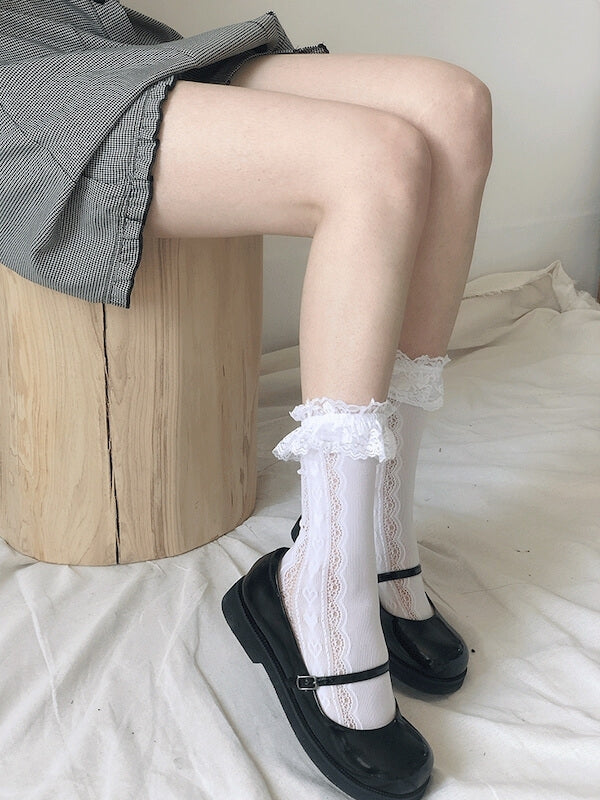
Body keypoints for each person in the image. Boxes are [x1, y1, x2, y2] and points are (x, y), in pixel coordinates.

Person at [0, 4, 492, 799]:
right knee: (374, 160)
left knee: (454, 107)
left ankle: (378, 532)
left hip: (76, 33)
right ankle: (322, 584)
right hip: (20, 85)